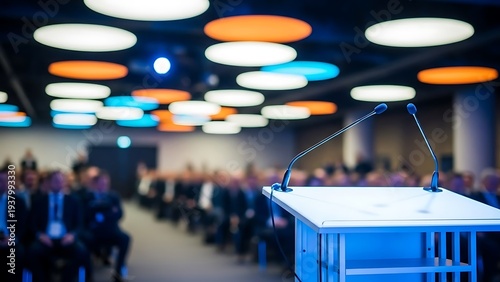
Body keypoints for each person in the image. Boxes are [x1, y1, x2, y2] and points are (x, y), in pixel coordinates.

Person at [27, 170, 91, 282]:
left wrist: (73, 235)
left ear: (65, 183)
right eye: (55, 181)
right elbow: (32, 223)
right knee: (32, 253)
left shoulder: (73, 201)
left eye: (61, 181)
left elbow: (80, 224)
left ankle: (66, 278)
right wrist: (40, 235)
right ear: (49, 183)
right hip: (46, 238)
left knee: (82, 252)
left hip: (66, 238)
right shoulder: (39, 201)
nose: (58, 183)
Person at [81, 171, 131, 282]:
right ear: (95, 184)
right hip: (92, 231)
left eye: (106, 183)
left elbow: (119, 214)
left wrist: (98, 211)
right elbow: (85, 215)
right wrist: (108, 211)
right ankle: (88, 275)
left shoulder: (113, 196)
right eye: (101, 183)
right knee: (83, 242)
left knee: (125, 238)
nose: (103, 186)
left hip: (110, 229)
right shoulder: (87, 197)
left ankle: (118, 272)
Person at [1, 169, 28, 282]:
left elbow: (23, 226)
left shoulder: (18, 201)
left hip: (11, 239)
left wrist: (12, 239)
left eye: (4, 181)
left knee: (18, 253)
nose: (1, 184)